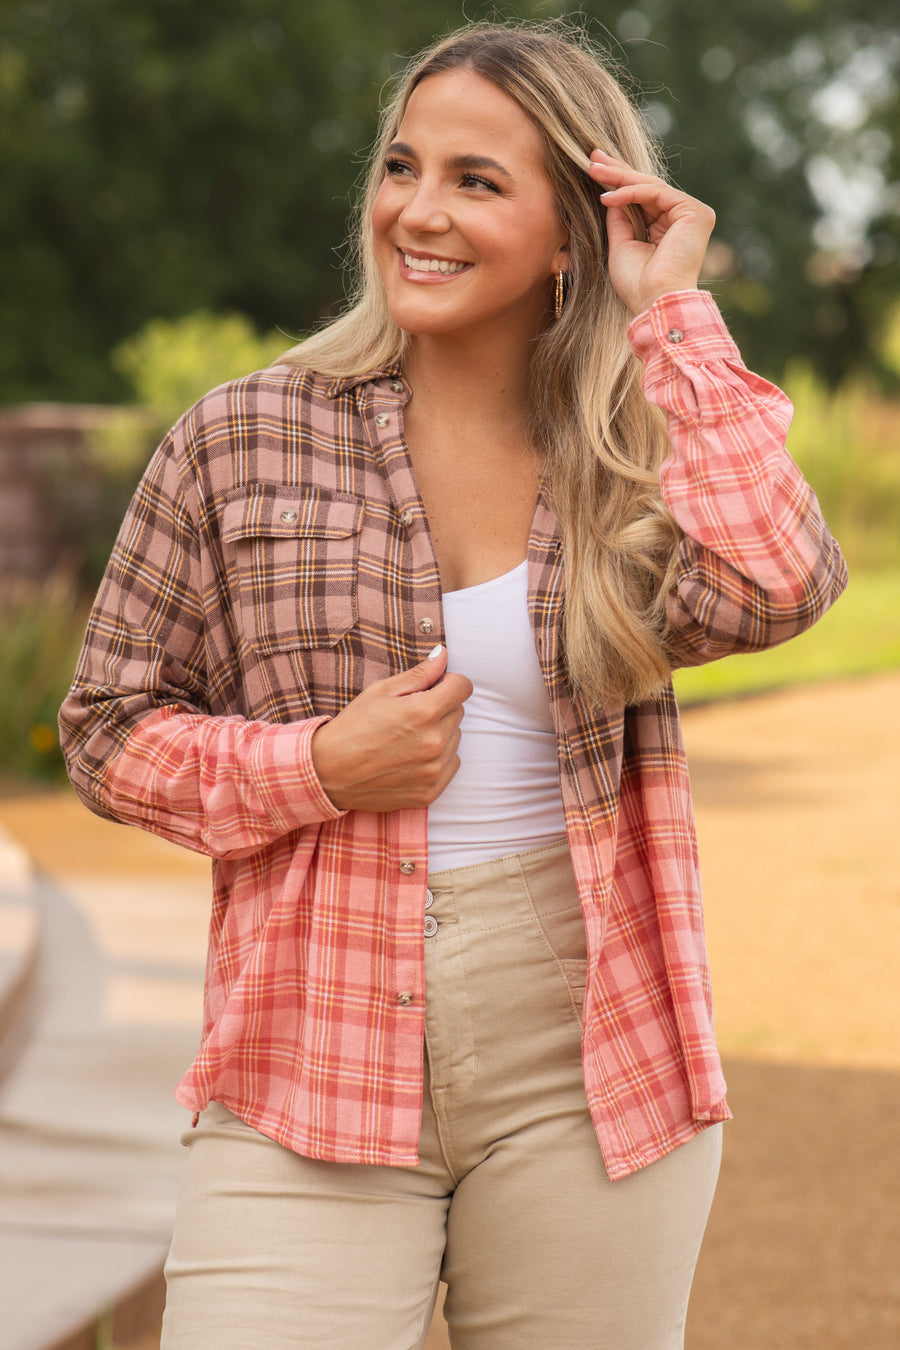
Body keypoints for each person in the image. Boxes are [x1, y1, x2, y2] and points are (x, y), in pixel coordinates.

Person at [59, 19, 847, 1350]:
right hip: (306, 1042)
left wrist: (672, 317)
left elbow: (780, 584)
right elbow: (105, 728)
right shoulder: (245, 436)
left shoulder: (636, 453)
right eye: (403, 167)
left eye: (476, 181)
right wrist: (315, 767)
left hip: (590, 1047)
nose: (417, 212)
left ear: (569, 234)